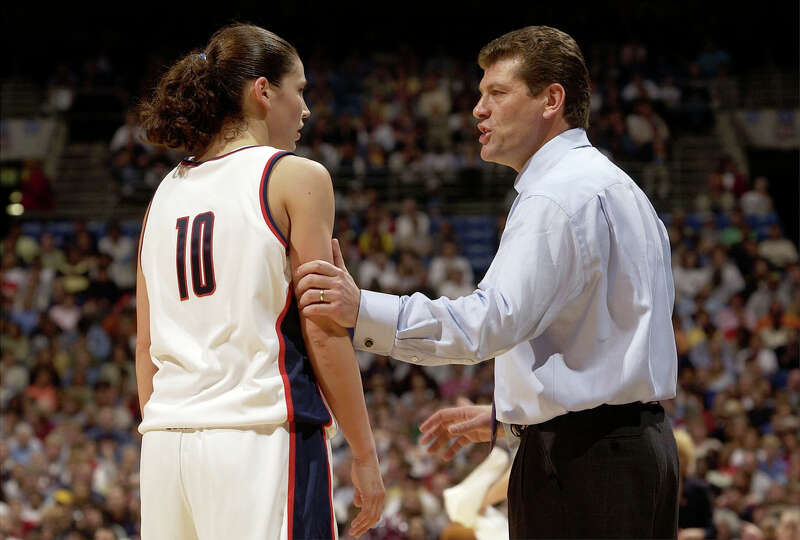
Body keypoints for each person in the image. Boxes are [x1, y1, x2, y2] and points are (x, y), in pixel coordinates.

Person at [295, 26, 679, 538]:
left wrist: (361, 310)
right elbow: (605, 340)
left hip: (583, 463)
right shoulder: (619, 186)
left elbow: (486, 325)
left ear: (551, 100)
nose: (478, 109)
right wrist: (515, 412)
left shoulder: (554, 196)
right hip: (640, 451)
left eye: (497, 93)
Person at [135, 24, 383, 540]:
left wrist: (171, 423)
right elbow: (322, 327)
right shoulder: (296, 176)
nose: (306, 109)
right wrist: (363, 452)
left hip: (164, 445)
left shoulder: (163, 193)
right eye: (301, 91)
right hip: (258, 435)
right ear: (263, 91)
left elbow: (145, 346)